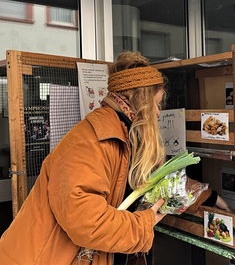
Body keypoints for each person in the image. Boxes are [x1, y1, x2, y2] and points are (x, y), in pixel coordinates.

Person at [0, 51, 167, 265]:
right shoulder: (91, 141)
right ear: (140, 101)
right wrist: (144, 224)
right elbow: (88, 223)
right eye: (156, 103)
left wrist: (205, 197)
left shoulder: (123, 135)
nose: (158, 112)